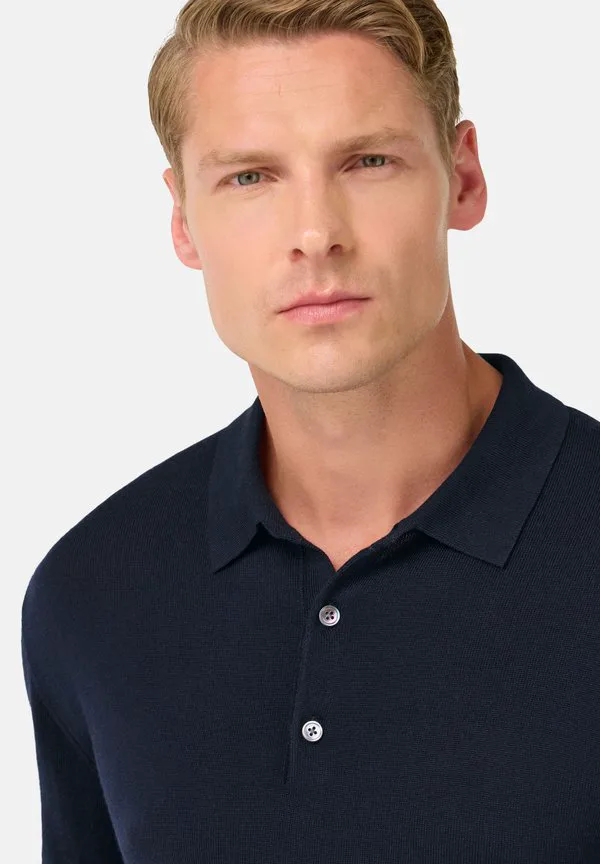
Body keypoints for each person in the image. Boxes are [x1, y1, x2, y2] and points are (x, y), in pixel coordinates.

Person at [20, 1, 600, 861]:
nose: (316, 235)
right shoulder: (91, 593)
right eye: (250, 177)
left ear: (464, 178)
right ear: (183, 219)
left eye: (367, 161)